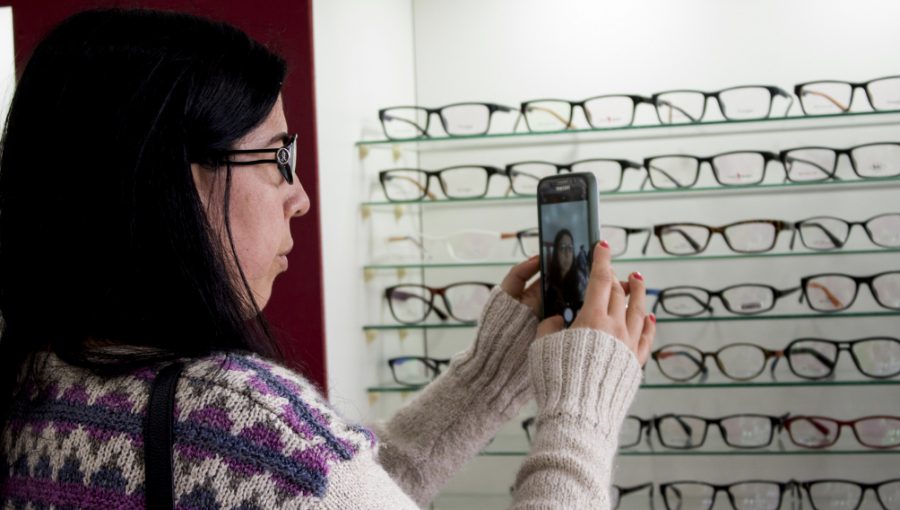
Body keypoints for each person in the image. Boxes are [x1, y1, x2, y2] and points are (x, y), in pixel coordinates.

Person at [0, 9, 656, 509]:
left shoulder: (38, 384)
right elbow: (298, 477)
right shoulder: (236, 420)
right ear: (169, 179)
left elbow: (321, 487)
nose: (301, 198)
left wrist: (487, 379)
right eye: (277, 159)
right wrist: (579, 421)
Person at [543, 229, 580, 317]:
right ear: (556, 252)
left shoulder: (581, 280)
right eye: (562, 248)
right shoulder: (546, 281)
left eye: (570, 248)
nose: (567, 254)